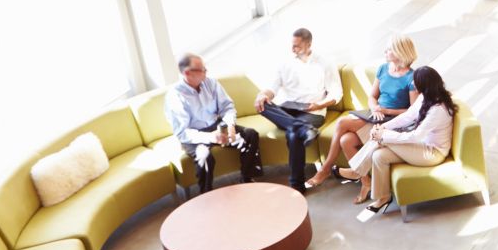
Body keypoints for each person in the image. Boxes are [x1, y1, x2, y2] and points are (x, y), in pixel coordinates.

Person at [305, 35, 417, 190]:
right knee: (346, 140)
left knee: (342, 122)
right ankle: (366, 182)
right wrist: (374, 108)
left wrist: (386, 110)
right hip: (375, 114)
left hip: (391, 121)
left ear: (400, 52)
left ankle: (325, 169)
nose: (385, 51)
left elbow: (412, 111)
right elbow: (372, 96)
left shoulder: (411, 78)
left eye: (389, 49)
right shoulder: (383, 69)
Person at [342, 66, 456, 215]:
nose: (414, 85)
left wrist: (383, 135)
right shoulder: (426, 97)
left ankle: (357, 172)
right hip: (421, 146)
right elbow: (408, 116)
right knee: (379, 156)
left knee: (382, 140)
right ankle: (383, 197)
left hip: (432, 153)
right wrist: (383, 127)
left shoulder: (438, 109)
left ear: (423, 85)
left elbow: (415, 136)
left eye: (416, 83)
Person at [254, 27, 342, 190]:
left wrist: (319, 105)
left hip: (312, 111)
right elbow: (272, 88)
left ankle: (297, 184)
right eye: (292, 45)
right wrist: (263, 94)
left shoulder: (324, 63)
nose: (293, 49)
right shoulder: (284, 63)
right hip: (288, 109)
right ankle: (303, 129)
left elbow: (337, 93)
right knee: (263, 104)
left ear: (309, 44)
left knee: (293, 135)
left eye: (297, 46)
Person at [165, 51, 262, 193]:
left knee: (250, 135)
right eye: (202, 69)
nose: (206, 72)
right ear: (187, 73)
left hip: (216, 125)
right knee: (204, 156)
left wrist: (230, 124)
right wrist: (211, 137)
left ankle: (247, 179)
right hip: (194, 135)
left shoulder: (211, 83)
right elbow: (182, 132)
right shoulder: (175, 96)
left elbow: (227, 106)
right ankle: (206, 195)